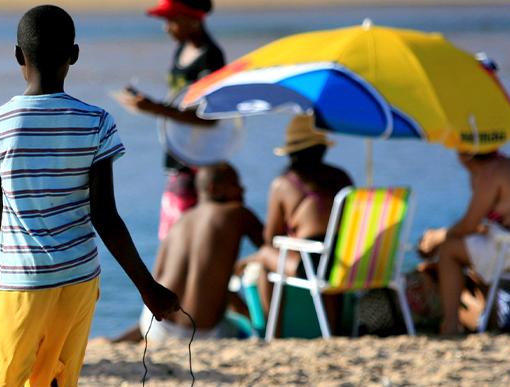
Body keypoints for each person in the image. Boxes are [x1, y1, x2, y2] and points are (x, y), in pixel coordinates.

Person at [0, 6, 180, 387]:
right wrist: (149, 287)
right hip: (78, 279)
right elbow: (106, 215)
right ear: (74, 57)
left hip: (19, 282)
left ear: (18, 57)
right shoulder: (96, 122)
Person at [106, 162, 263, 343]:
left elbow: (157, 274)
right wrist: (247, 261)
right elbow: (273, 246)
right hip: (200, 334)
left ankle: (119, 340)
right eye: (236, 185)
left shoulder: (180, 222)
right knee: (244, 327)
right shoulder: (237, 213)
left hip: (155, 326)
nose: (243, 190)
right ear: (215, 189)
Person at [417, 151, 510, 335]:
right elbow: (484, 227)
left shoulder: (490, 173)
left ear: (463, 155)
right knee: (475, 250)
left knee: (450, 250)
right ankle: (491, 321)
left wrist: (436, 237)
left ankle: (451, 326)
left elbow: (468, 226)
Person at [114, 0, 225, 240]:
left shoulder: (211, 57)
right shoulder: (182, 50)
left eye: (173, 20)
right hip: (177, 156)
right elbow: (180, 103)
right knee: (172, 236)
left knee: (185, 238)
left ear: (194, 21)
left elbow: (210, 117)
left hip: (198, 161)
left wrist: (155, 109)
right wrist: (151, 105)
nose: (167, 28)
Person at [243, 114, 352, 329]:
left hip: (313, 264)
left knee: (265, 256)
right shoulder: (341, 177)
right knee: (325, 254)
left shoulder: (284, 184)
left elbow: (270, 238)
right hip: (347, 261)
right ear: (323, 149)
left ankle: (273, 330)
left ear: (291, 152)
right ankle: (334, 328)